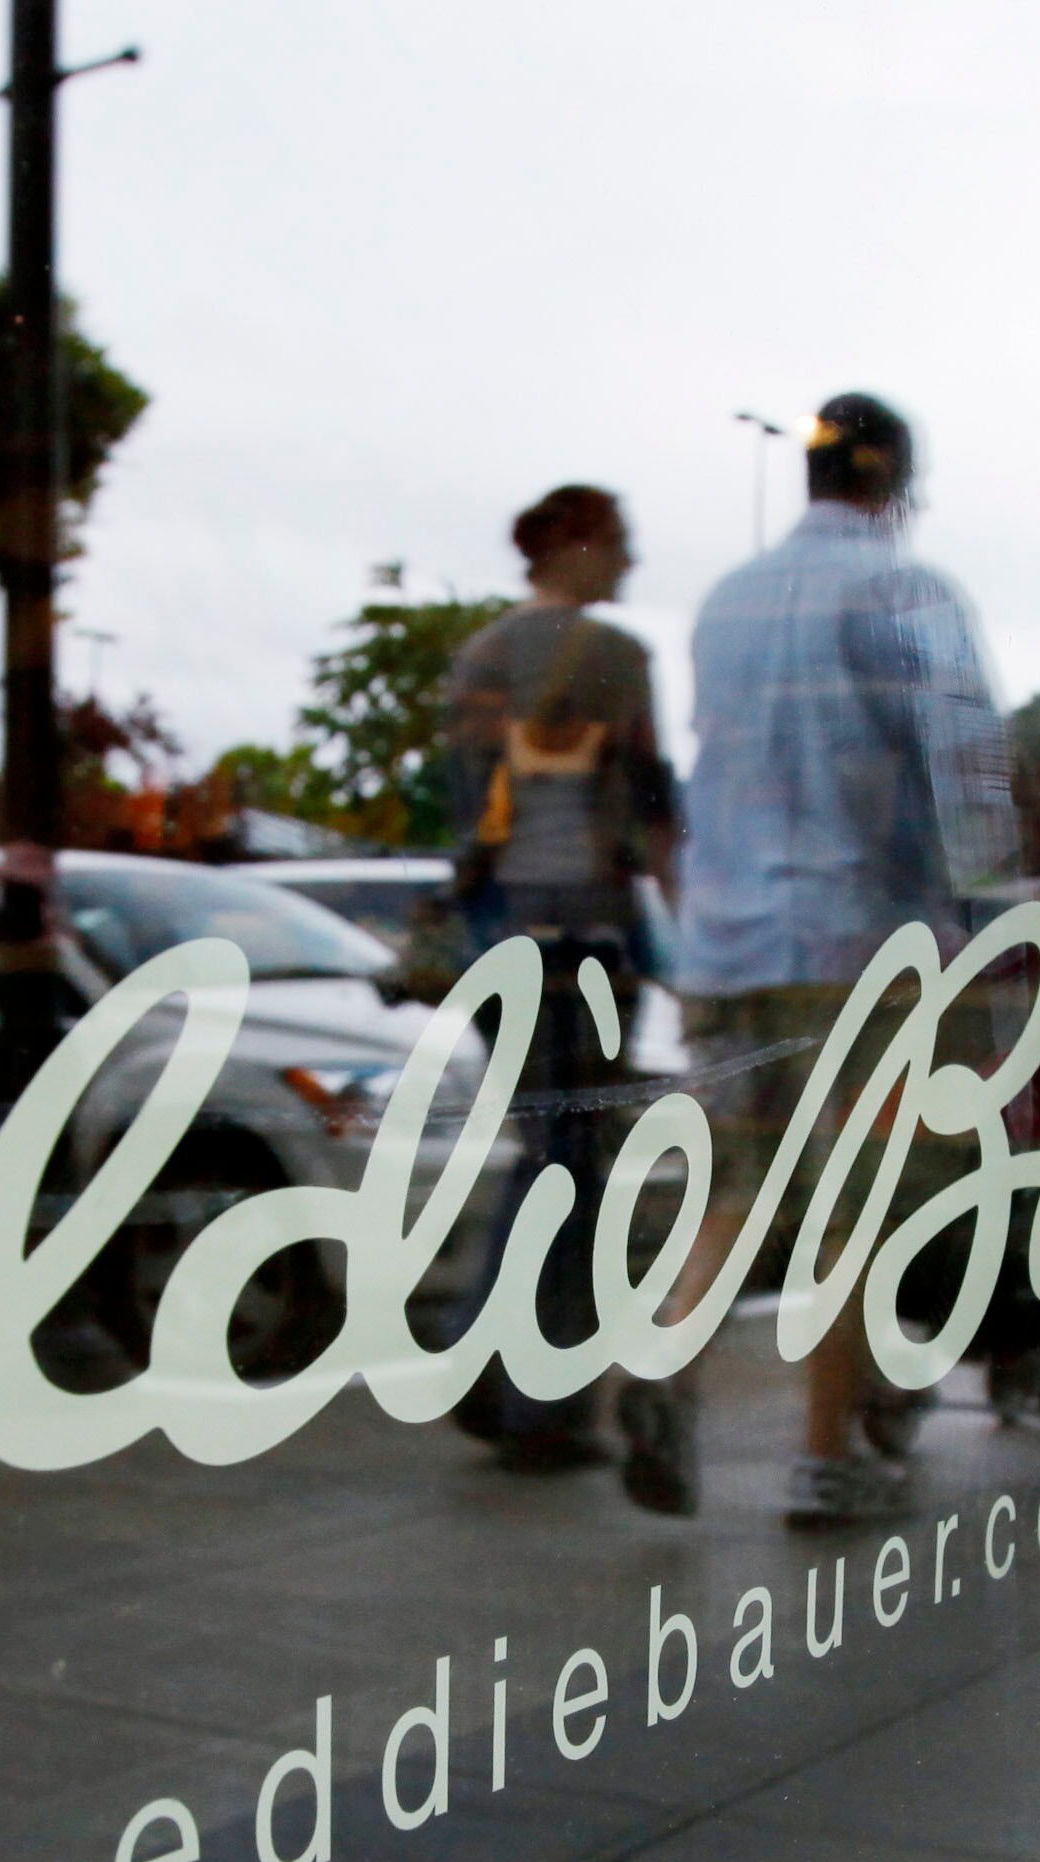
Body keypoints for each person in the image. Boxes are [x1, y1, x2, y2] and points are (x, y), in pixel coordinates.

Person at [619, 394, 1016, 1519]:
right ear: (894, 488)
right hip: (859, 946)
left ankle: (661, 1365)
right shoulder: (906, 589)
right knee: (854, 1207)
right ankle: (824, 1462)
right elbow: (962, 767)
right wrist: (986, 905)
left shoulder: (727, 602)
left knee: (738, 1189)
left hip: (728, 944)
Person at [440, 484, 678, 1468]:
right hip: (586, 944)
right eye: (619, 543)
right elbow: (654, 807)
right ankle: (526, 1391)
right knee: (573, 1169)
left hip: (496, 939)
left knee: (548, 1152)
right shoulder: (618, 660)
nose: (630, 562)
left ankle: (500, 1380)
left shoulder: (476, 657)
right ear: (572, 546)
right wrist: (693, 932)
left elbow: (463, 810)